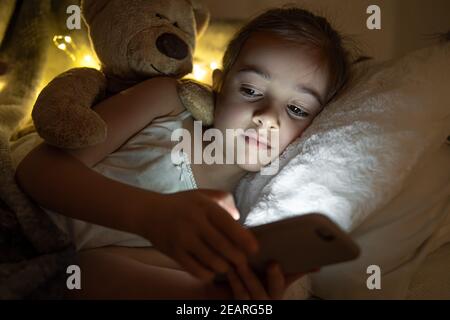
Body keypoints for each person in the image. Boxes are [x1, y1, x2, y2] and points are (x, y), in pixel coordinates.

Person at [15, 7, 350, 299]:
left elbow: (88, 272)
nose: (266, 116)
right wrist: (151, 215)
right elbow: (38, 170)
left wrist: (215, 297)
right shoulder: (166, 103)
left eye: (296, 108)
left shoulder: (233, 220)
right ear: (220, 85)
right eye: (250, 90)